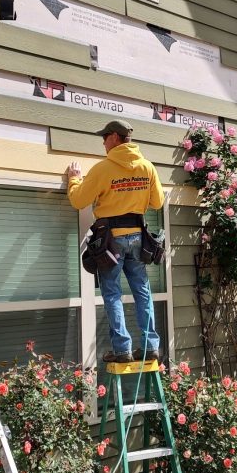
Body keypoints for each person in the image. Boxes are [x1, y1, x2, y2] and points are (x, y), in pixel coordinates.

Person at [67, 119, 165, 363]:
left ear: (115, 138)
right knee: (142, 291)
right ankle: (150, 347)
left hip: (111, 241)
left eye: (104, 137)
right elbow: (157, 203)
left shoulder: (103, 169)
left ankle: (122, 350)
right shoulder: (147, 167)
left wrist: (74, 180)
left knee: (112, 294)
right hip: (137, 238)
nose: (102, 142)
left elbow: (79, 201)